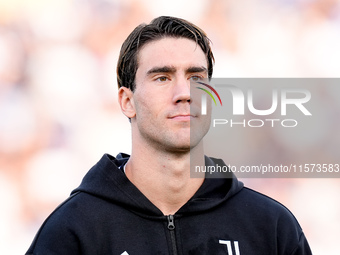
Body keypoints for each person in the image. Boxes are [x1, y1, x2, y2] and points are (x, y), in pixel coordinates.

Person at [26, 16, 312, 255]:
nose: (184, 94)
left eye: (196, 78)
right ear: (127, 101)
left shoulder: (270, 226)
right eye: (162, 78)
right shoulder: (74, 230)